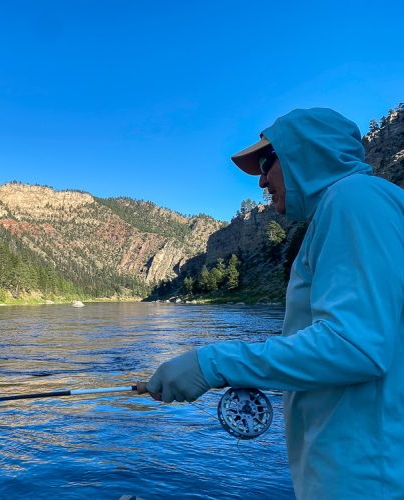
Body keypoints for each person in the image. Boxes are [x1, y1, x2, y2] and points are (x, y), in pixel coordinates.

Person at [145, 108, 404, 499]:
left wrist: (213, 363)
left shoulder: (354, 200)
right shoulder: (353, 205)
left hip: (370, 474)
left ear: (306, 153)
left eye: (267, 163)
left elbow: (355, 346)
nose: (262, 180)